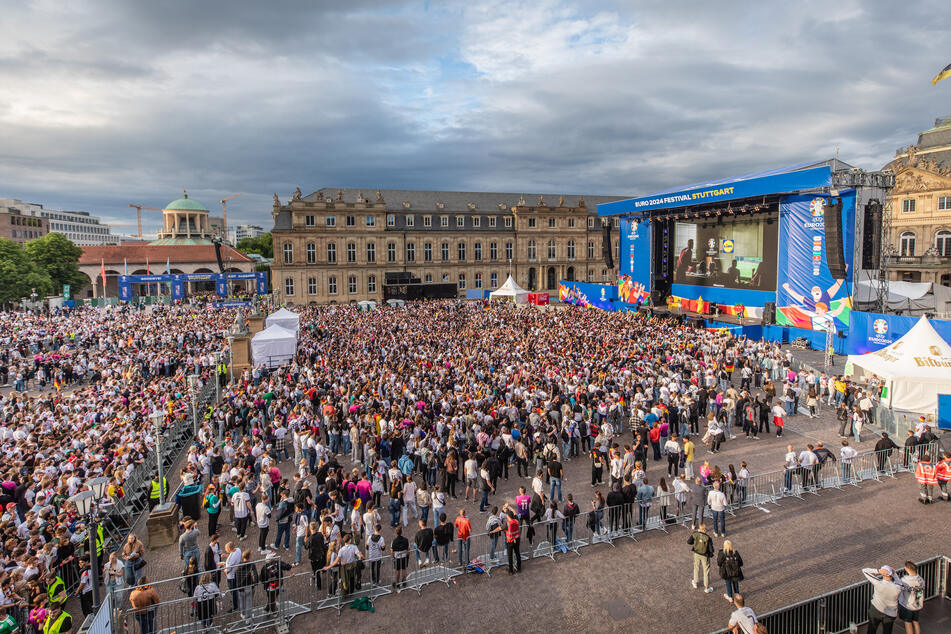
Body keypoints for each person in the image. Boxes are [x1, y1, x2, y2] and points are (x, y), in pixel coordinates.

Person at [863, 565, 901, 634]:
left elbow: (865, 570)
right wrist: (894, 574)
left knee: (871, 630)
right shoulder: (898, 587)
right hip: (890, 614)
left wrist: (878, 571)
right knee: (887, 631)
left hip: (876, 610)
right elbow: (900, 583)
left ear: (883, 574)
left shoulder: (878, 583)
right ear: (891, 575)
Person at [897, 560, 924, 634]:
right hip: (917, 605)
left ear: (907, 569)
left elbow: (899, 587)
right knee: (916, 622)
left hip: (907, 605)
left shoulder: (905, 580)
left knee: (908, 623)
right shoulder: (921, 580)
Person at [687, 523, 715, 593]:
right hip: (705, 555)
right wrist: (711, 555)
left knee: (696, 568)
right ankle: (706, 587)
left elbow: (689, 542)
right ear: (705, 529)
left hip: (696, 553)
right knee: (706, 571)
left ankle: (695, 582)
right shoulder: (708, 538)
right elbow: (712, 550)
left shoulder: (695, 534)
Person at [235, 550, 259, 619]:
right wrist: (255, 583)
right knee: (249, 602)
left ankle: (243, 614)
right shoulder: (251, 565)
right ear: (249, 556)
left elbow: (236, 575)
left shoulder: (239, 565)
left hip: (240, 587)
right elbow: (255, 575)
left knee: (242, 601)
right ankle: (248, 618)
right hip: (248, 586)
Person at [504, 506, 521, 574]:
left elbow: (500, 528)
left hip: (510, 541)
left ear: (508, 516)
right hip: (517, 539)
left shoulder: (507, 524)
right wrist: (510, 508)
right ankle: (519, 568)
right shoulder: (516, 520)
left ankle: (511, 570)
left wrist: (492, 531)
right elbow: (515, 513)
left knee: (510, 556)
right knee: (517, 553)